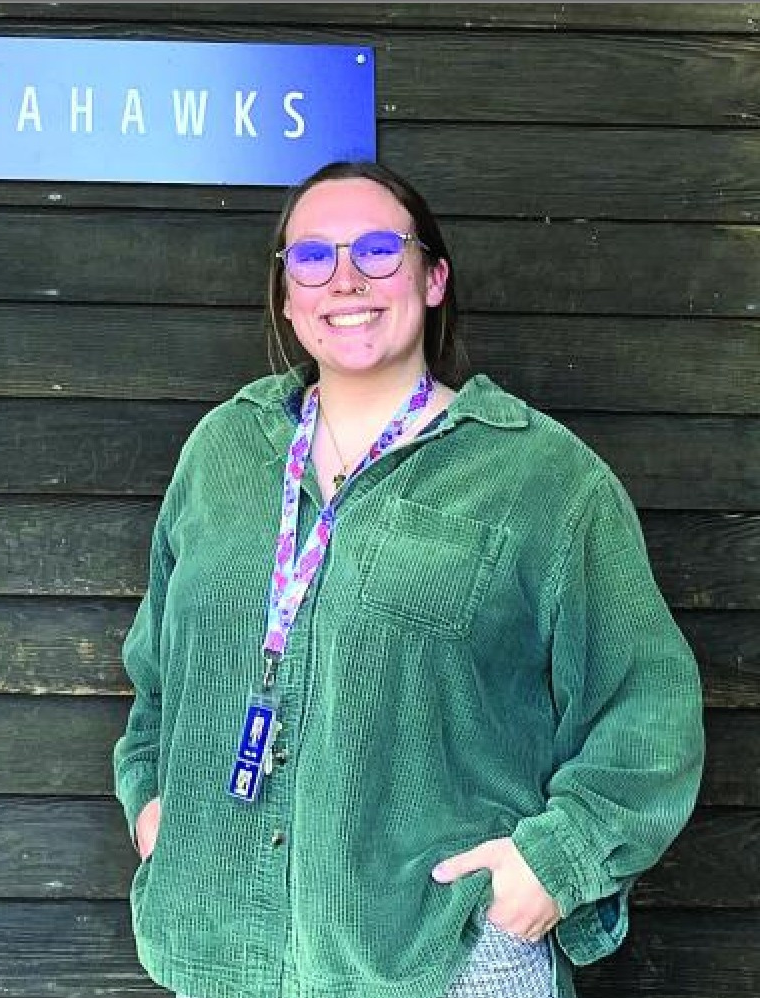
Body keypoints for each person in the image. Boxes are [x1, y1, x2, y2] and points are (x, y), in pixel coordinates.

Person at [113, 160, 705, 998]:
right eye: (312, 257)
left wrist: (552, 865)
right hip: (226, 954)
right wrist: (152, 805)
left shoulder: (544, 482)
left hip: (444, 960)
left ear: (433, 279)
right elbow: (158, 678)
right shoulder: (223, 453)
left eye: (379, 251)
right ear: (286, 296)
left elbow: (646, 711)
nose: (345, 279)